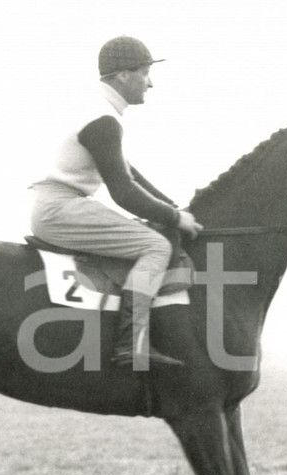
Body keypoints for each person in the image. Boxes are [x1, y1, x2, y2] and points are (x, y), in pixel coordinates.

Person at [29, 36, 202, 368]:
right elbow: (123, 192)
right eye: (145, 73)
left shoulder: (100, 112)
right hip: (60, 208)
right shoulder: (103, 119)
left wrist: (173, 209)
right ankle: (131, 345)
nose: (150, 83)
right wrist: (174, 218)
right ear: (123, 75)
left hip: (61, 204)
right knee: (155, 247)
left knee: (153, 233)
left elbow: (129, 175)